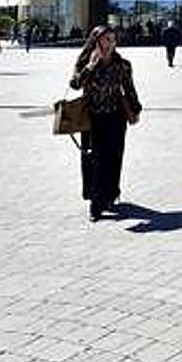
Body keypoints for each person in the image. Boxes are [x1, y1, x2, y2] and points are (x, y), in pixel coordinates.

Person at [70, 25, 142, 222]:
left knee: (114, 156)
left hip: (116, 117)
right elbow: (75, 84)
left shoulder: (122, 64)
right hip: (92, 118)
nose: (110, 43)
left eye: (113, 39)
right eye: (106, 39)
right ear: (96, 41)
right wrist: (91, 66)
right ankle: (96, 202)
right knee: (95, 159)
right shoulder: (86, 61)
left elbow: (129, 89)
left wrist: (135, 110)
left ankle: (110, 193)